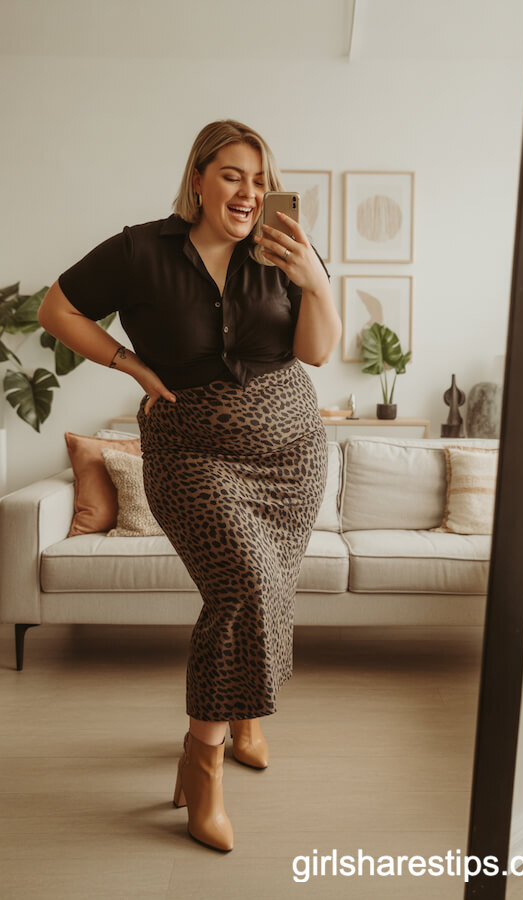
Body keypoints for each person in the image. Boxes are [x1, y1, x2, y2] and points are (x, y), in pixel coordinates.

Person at [37, 119, 342, 852]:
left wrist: (315, 279)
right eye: (234, 174)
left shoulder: (282, 248)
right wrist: (131, 365)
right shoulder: (141, 250)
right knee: (243, 584)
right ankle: (202, 761)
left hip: (293, 450)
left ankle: (243, 719)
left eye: (260, 179)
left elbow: (317, 350)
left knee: (272, 583)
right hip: (190, 452)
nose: (249, 192)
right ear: (199, 177)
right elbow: (57, 308)